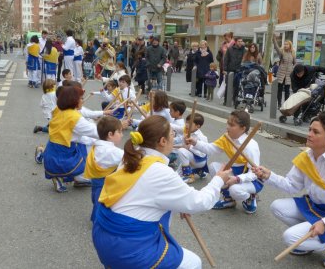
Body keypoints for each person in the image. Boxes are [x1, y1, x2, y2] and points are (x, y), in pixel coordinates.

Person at [92, 115, 231, 269]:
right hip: (127, 248)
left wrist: (177, 204)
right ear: (163, 141)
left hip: (103, 236)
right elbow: (199, 202)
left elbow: (142, 196)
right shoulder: (159, 171)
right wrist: (218, 180)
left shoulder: (131, 158)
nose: (174, 138)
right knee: (193, 263)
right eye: (172, 134)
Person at [253, 111, 325, 268]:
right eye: (310, 129)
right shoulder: (307, 156)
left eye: (315, 132)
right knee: (277, 207)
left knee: (290, 238)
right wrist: (268, 175)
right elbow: (292, 186)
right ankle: (312, 241)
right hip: (315, 208)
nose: (309, 134)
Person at [186, 110, 263, 214]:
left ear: (243, 128)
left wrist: (237, 179)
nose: (227, 127)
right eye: (228, 123)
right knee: (214, 167)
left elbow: (254, 173)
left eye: (232, 125)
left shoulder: (251, 146)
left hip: (251, 179)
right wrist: (195, 142)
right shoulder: (227, 137)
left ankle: (250, 196)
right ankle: (229, 200)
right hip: (236, 170)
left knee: (235, 190)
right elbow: (210, 149)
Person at [42, 86, 99, 192]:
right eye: (81, 98)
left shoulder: (58, 110)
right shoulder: (74, 117)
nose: (83, 100)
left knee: (86, 141)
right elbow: (97, 132)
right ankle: (80, 177)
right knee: (93, 144)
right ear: (74, 100)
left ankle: (69, 177)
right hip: (63, 155)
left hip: (51, 150)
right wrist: (116, 127)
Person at [84, 116, 124, 221]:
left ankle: (97, 217)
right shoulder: (113, 152)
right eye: (119, 132)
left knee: (96, 199)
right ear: (110, 134)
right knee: (102, 202)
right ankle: (99, 221)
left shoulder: (96, 146)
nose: (122, 135)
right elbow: (130, 158)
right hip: (106, 182)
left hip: (95, 180)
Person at [178, 113, 208, 184]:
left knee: (182, 151)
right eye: (187, 122)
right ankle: (199, 171)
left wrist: (190, 147)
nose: (187, 125)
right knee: (176, 175)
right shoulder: (187, 132)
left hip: (199, 161)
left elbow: (203, 154)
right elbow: (184, 146)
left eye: (190, 123)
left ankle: (188, 175)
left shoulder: (202, 137)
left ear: (198, 126)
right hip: (190, 158)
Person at [273, 37, 296, 108]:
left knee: (287, 90)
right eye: (285, 44)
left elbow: (295, 63)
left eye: (287, 44)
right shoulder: (282, 52)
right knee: (279, 89)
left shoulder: (292, 53)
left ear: (290, 45)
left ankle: (286, 104)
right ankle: (279, 104)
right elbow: (276, 48)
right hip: (281, 73)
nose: (285, 45)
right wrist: (274, 39)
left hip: (289, 74)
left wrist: (293, 69)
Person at [223, 37, 245, 104]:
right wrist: (225, 69)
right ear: (235, 42)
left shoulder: (243, 50)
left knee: (237, 86)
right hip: (230, 70)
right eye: (239, 41)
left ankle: (235, 100)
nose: (240, 42)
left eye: (241, 41)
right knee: (228, 86)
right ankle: (226, 100)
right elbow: (226, 59)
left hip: (238, 71)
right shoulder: (230, 49)